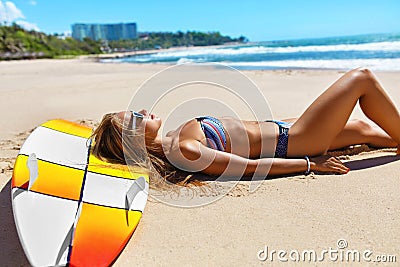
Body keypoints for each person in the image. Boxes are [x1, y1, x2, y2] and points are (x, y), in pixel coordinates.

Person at [91, 68, 400, 185]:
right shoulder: (184, 150)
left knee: (360, 127)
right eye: (135, 117)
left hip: (284, 128)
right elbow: (249, 167)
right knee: (362, 79)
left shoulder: (174, 137)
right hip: (295, 142)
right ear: (132, 141)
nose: (143, 111)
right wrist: (308, 164)